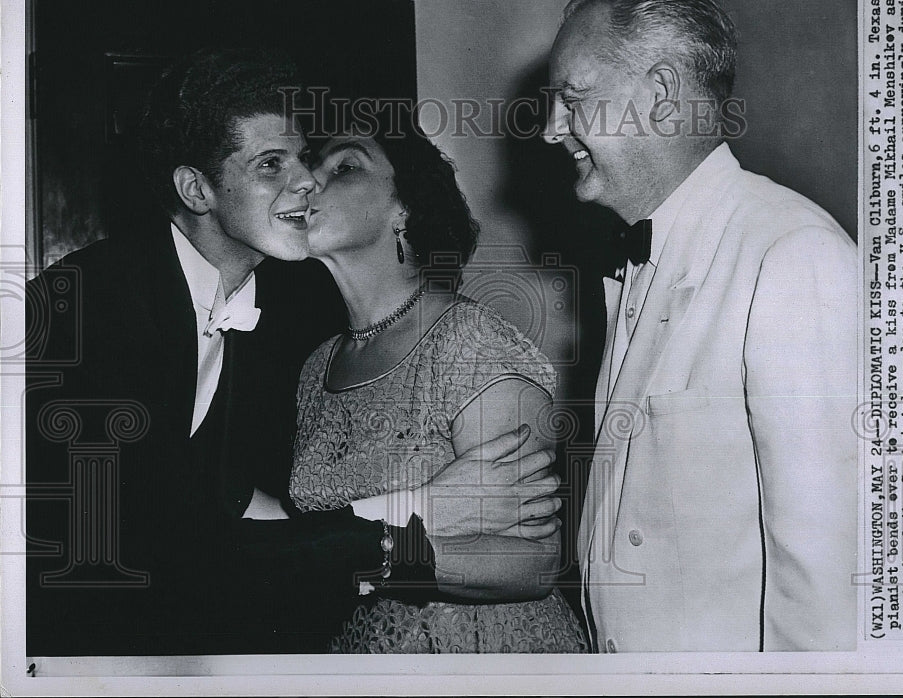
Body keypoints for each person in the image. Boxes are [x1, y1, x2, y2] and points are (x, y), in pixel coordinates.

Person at [24, 49, 560, 656]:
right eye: (271, 164)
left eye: (304, 160)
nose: (306, 181)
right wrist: (414, 516)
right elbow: (167, 547)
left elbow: (533, 546)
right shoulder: (87, 307)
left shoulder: (281, 329)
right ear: (196, 189)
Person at [543, 0, 858, 652]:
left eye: (572, 99)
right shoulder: (628, 262)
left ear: (657, 96)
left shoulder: (792, 255)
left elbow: (828, 597)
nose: (549, 129)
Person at [284, 106, 588, 653]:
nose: (309, 183)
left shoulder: (469, 340)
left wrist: (375, 556)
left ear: (405, 209)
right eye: (311, 167)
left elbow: (535, 561)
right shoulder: (315, 366)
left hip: (478, 659)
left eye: (345, 167)